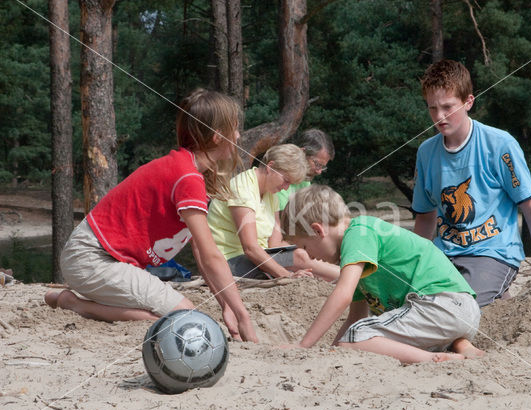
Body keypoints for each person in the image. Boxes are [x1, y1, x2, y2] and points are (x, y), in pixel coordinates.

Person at [45, 88, 257, 342]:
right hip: (92, 258)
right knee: (183, 316)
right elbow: (212, 256)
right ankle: (76, 304)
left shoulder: (189, 170)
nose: (238, 135)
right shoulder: (187, 177)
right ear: (217, 136)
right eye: (234, 129)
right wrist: (242, 315)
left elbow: (201, 251)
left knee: (170, 314)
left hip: (98, 260)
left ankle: (71, 299)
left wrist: (226, 305)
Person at [280, 185, 484, 364]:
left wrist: (304, 345)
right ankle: (460, 345)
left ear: (317, 231)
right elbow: (355, 316)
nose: (310, 256)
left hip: (440, 305)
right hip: (460, 314)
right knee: (359, 337)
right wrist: (334, 350)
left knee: (355, 338)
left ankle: (432, 359)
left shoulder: (359, 232)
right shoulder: (358, 255)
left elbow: (342, 296)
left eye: (305, 246)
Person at [412, 59, 531, 307]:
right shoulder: (426, 153)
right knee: (413, 302)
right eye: (432, 108)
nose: (439, 116)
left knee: (460, 308)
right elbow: (425, 217)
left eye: (448, 107)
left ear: (469, 101)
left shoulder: (500, 145)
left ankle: (490, 292)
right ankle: (500, 301)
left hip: (493, 253)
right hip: (444, 254)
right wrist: (414, 264)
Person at [207, 144, 339, 281]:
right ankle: (349, 277)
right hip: (229, 261)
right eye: (286, 180)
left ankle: (346, 276)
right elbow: (250, 248)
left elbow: (274, 244)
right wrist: (287, 275)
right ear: (270, 167)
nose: (286, 188)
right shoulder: (243, 188)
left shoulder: (270, 195)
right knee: (298, 257)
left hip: (255, 257)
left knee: (300, 253)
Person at [276, 129, 335, 211]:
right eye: (317, 164)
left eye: (322, 167)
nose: (319, 171)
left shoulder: (305, 179)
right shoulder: (277, 174)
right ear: (302, 152)